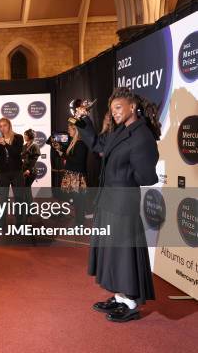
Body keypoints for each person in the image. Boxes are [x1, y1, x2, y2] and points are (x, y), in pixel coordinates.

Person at [76, 87, 160, 323]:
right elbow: (97, 145)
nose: (114, 113)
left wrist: (127, 175)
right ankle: (121, 296)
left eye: (118, 108)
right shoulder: (120, 131)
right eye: (112, 109)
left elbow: (146, 177)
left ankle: (131, 303)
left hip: (123, 204)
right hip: (108, 200)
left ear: (132, 107)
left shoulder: (142, 136)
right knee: (112, 254)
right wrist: (83, 120)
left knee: (124, 255)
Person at [0, 117, 24, 228]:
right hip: (2, 173)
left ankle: (20, 222)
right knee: (2, 198)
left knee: (19, 198)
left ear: (9, 125)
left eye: (5, 125)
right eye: (0, 126)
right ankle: (1, 223)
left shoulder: (18, 137)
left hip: (16, 172)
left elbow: (16, 153)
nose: (2, 128)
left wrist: (5, 144)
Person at [53, 123, 88, 225]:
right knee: (76, 201)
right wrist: (61, 152)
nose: (68, 131)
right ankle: (78, 221)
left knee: (79, 201)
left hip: (76, 177)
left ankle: (79, 223)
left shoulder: (80, 143)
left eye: (70, 129)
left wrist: (63, 155)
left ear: (75, 130)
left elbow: (78, 160)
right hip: (72, 175)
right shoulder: (73, 142)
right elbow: (71, 157)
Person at [20, 129, 41, 223]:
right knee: (26, 189)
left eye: (25, 135)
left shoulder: (35, 145)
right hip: (24, 170)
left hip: (31, 171)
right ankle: (29, 209)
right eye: (24, 134)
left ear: (29, 136)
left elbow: (34, 160)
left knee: (26, 188)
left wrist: (29, 170)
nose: (24, 136)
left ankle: (30, 210)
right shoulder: (24, 146)